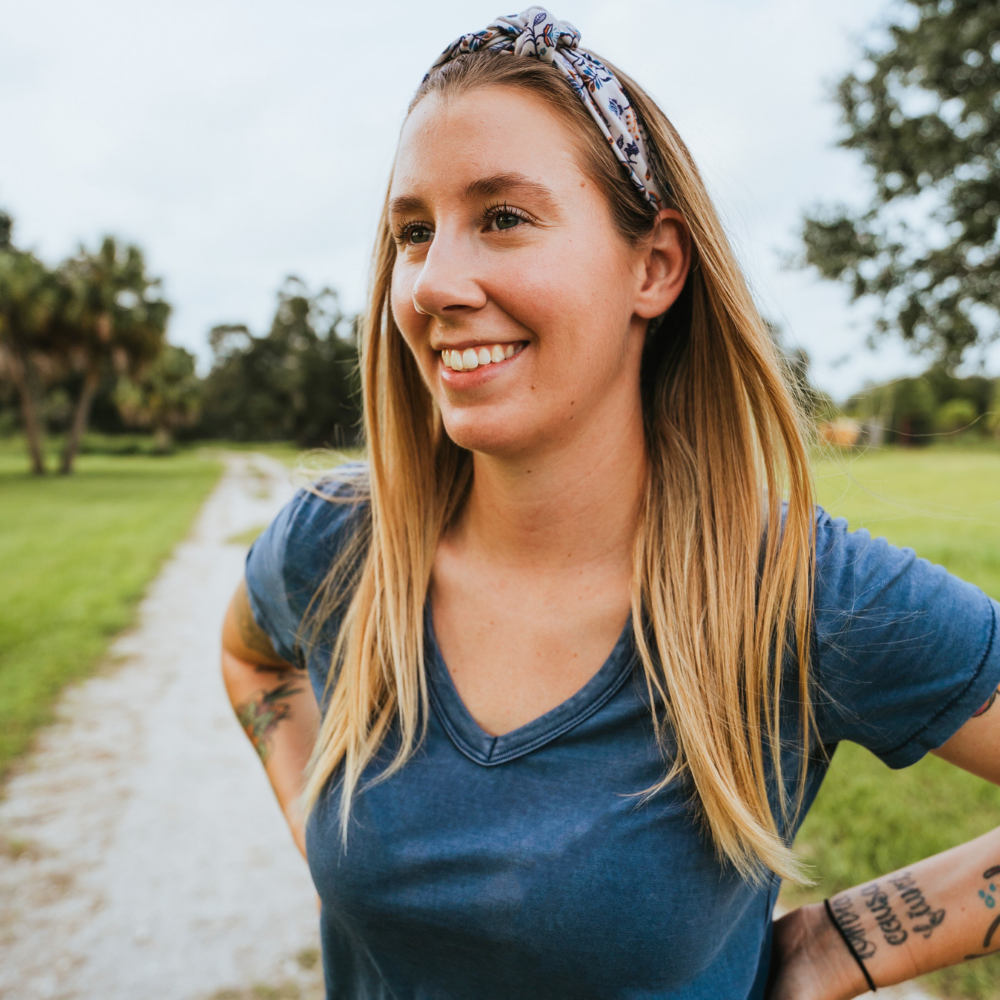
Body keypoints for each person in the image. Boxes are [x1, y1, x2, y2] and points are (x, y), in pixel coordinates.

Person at [220, 9, 1000, 999]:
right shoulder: (333, 541)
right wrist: (318, 830)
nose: (432, 282)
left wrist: (846, 941)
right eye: (413, 231)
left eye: (501, 216)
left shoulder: (794, 590)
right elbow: (247, 654)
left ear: (654, 265)